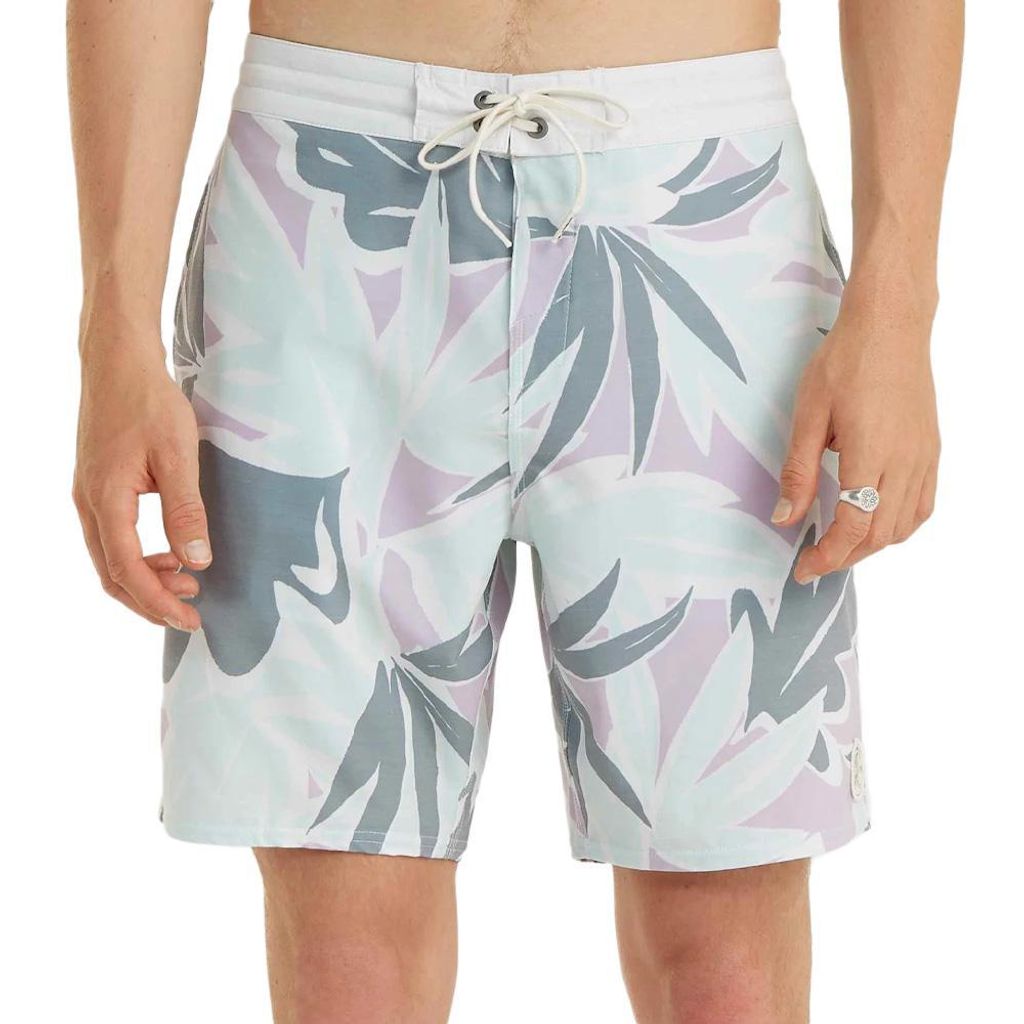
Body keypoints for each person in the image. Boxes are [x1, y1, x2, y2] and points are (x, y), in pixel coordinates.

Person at [67, 1, 962, 1020]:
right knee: (345, 960)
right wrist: (112, 335)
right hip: (323, 204)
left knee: (726, 952)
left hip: (702, 201)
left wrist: (898, 313)